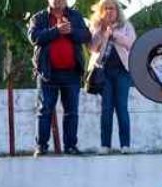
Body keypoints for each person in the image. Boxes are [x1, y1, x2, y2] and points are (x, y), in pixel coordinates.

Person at [28, 0, 92, 157]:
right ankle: (41, 146)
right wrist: (56, 31)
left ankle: (70, 146)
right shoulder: (39, 18)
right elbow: (34, 37)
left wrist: (70, 31)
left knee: (71, 112)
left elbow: (86, 35)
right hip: (47, 73)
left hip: (72, 73)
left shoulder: (75, 16)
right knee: (44, 111)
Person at [89, 0, 136, 154]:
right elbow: (92, 47)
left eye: (112, 8)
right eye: (106, 8)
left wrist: (114, 35)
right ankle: (105, 145)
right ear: (101, 11)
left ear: (117, 11)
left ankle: (125, 145)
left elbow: (132, 44)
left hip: (123, 72)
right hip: (104, 73)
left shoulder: (126, 26)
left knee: (121, 107)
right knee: (106, 109)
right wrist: (102, 32)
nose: (109, 11)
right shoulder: (97, 26)